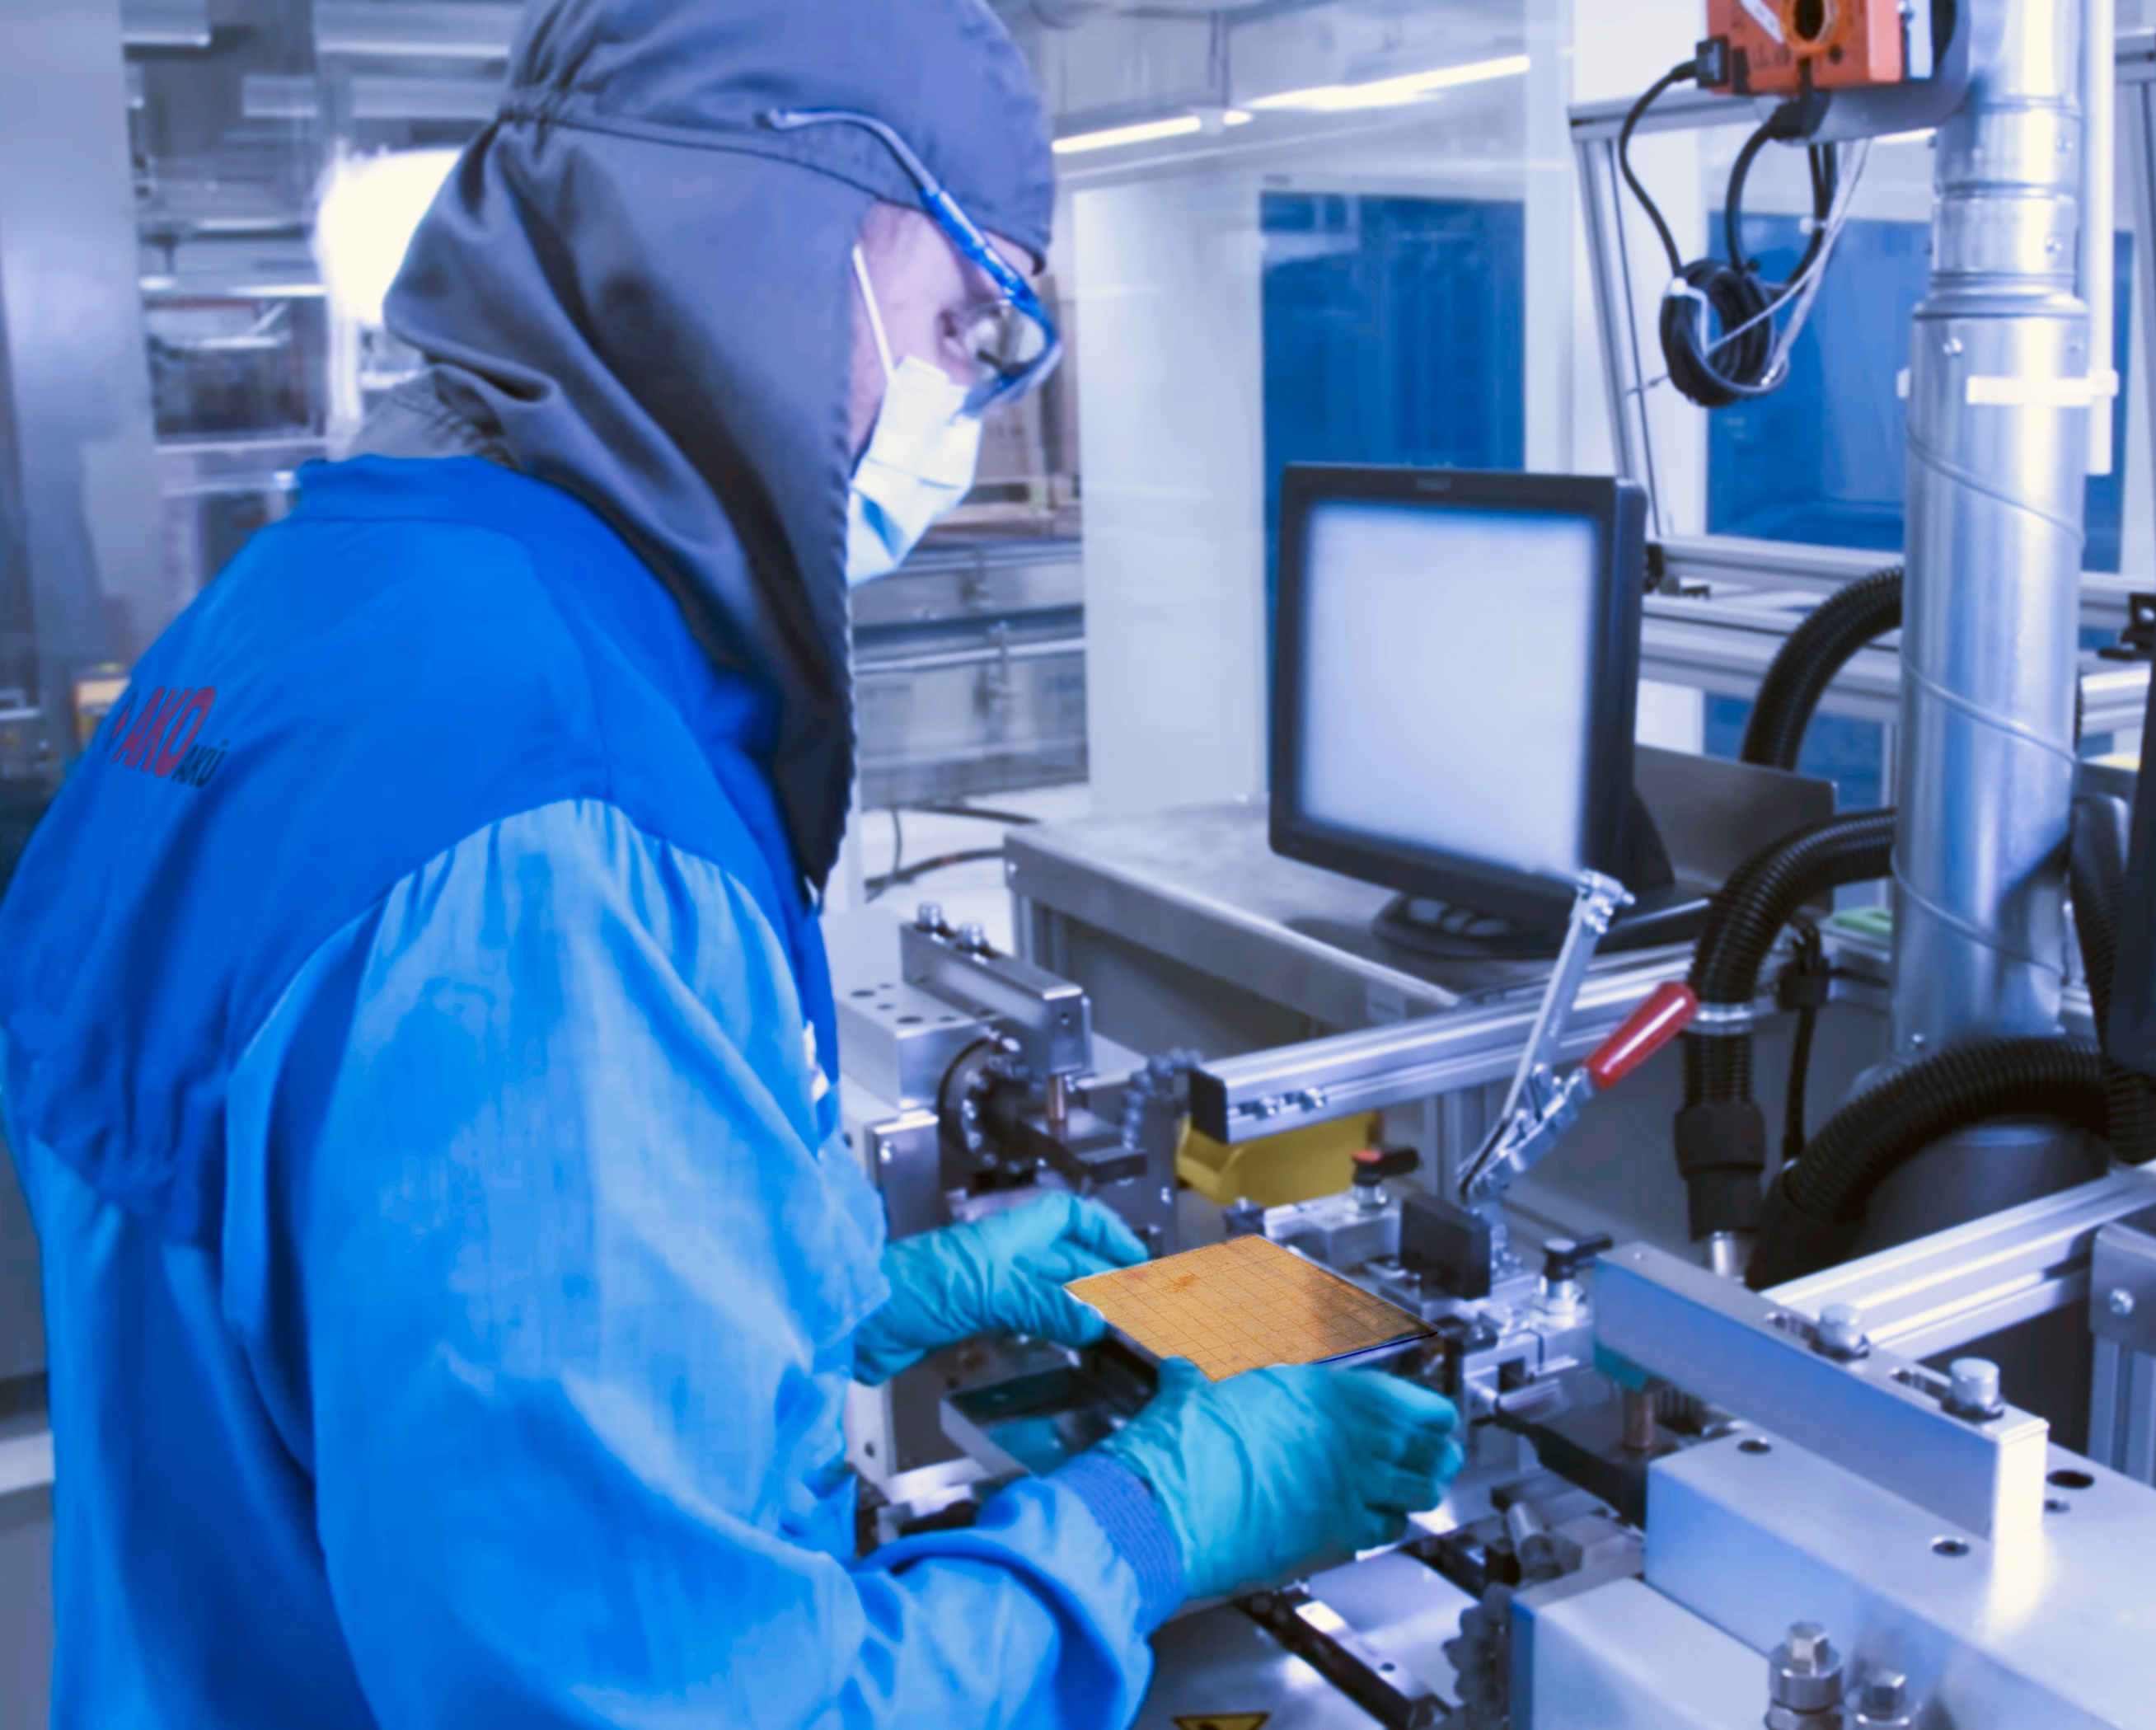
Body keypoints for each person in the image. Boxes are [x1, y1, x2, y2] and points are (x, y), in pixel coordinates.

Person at [0, 0, 1460, 1723]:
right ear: (766, 240)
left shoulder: (287, 615)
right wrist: (1149, 1521)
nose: (965, 407)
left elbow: (362, 1302)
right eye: (963, 323)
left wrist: (835, 1289)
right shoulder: (554, 822)